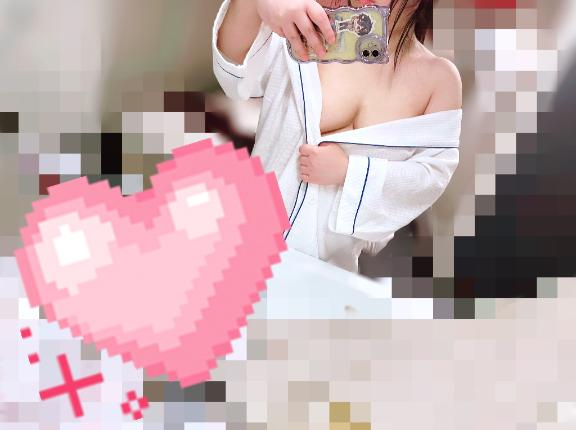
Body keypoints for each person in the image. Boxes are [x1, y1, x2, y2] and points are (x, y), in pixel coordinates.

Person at [212, 0, 462, 272]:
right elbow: (234, 70)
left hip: (330, 275)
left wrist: (350, 171)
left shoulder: (439, 79)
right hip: (245, 248)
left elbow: (433, 174)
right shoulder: (306, 27)